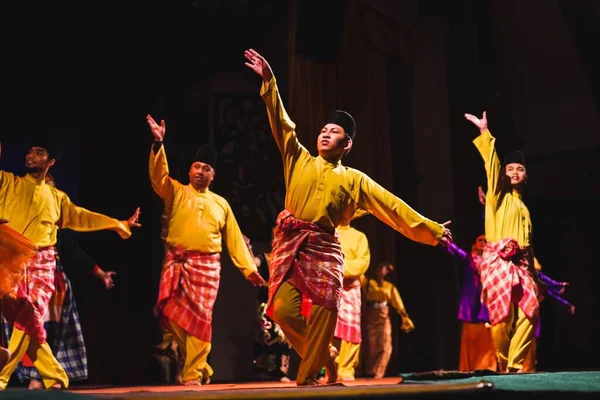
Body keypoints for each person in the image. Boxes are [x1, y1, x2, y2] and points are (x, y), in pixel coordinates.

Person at [244, 48, 452, 386]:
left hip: (325, 248)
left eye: (335, 131)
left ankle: (309, 376)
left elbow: (391, 205)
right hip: (292, 242)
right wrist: (270, 84)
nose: (326, 133)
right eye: (324, 129)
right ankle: (325, 356)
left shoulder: (355, 179)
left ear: (348, 143)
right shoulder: (299, 159)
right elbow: (282, 125)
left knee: (325, 311)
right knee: (281, 311)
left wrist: (429, 229)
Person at [0, 138, 141, 390]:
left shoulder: (57, 198)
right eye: (30, 151)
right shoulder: (8, 183)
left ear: (50, 162)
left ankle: (1, 377)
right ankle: (55, 375)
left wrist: (117, 224)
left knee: (29, 312)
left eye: (39, 152)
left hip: (42, 264)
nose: (31, 155)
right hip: (10, 264)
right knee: (27, 321)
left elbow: (83, 218)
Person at [146, 114, 266, 386]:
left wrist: (249, 269)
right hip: (176, 262)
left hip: (207, 268)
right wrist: (157, 144)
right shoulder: (175, 191)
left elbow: (234, 239)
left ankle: (192, 374)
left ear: (213, 175)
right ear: (189, 171)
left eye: (206, 169)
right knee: (170, 315)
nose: (200, 171)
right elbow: (158, 178)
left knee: (200, 321)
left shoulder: (221, 204)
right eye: (196, 167)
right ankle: (201, 368)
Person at [10, 174, 118, 389]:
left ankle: (41, 376)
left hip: (52, 281)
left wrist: (100, 273)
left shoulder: (56, 226)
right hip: (21, 276)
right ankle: (39, 375)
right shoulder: (21, 218)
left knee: (48, 327)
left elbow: (72, 249)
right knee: (28, 323)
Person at [466, 111, 541, 373]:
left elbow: (528, 247)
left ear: (526, 176)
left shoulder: (525, 209)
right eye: (510, 169)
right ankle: (503, 360)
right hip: (498, 261)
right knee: (501, 316)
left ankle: (514, 363)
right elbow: (492, 166)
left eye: (520, 169)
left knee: (531, 311)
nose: (515, 172)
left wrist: (535, 275)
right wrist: (485, 133)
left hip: (520, 266)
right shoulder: (498, 196)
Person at [445, 235, 497, 371]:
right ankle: (469, 367)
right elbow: (455, 251)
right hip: (470, 301)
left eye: (486, 241)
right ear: (474, 244)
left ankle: (487, 367)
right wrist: (445, 241)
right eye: (480, 240)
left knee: (487, 338)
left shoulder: (492, 261)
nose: (483, 242)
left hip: (486, 302)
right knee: (471, 337)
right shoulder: (468, 257)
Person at [244, 235, 292, 383]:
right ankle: (263, 371)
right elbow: (252, 264)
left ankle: (281, 372)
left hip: (283, 302)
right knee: (265, 336)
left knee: (284, 339)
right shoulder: (265, 258)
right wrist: (247, 248)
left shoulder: (289, 259)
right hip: (265, 303)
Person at [333, 210, 371, 381]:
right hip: (331, 286)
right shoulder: (328, 233)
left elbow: (363, 262)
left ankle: (346, 367)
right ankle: (329, 367)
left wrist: (340, 268)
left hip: (351, 288)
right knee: (329, 328)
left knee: (351, 328)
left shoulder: (359, 236)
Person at [361, 262, 414, 379]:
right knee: (371, 345)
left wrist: (405, 317)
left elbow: (398, 303)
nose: (380, 270)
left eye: (383, 268)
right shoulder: (368, 283)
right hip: (371, 316)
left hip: (384, 316)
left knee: (385, 345)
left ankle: (379, 372)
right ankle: (370, 371)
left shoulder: (389, 287)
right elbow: (359, 275)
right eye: (378, 268)